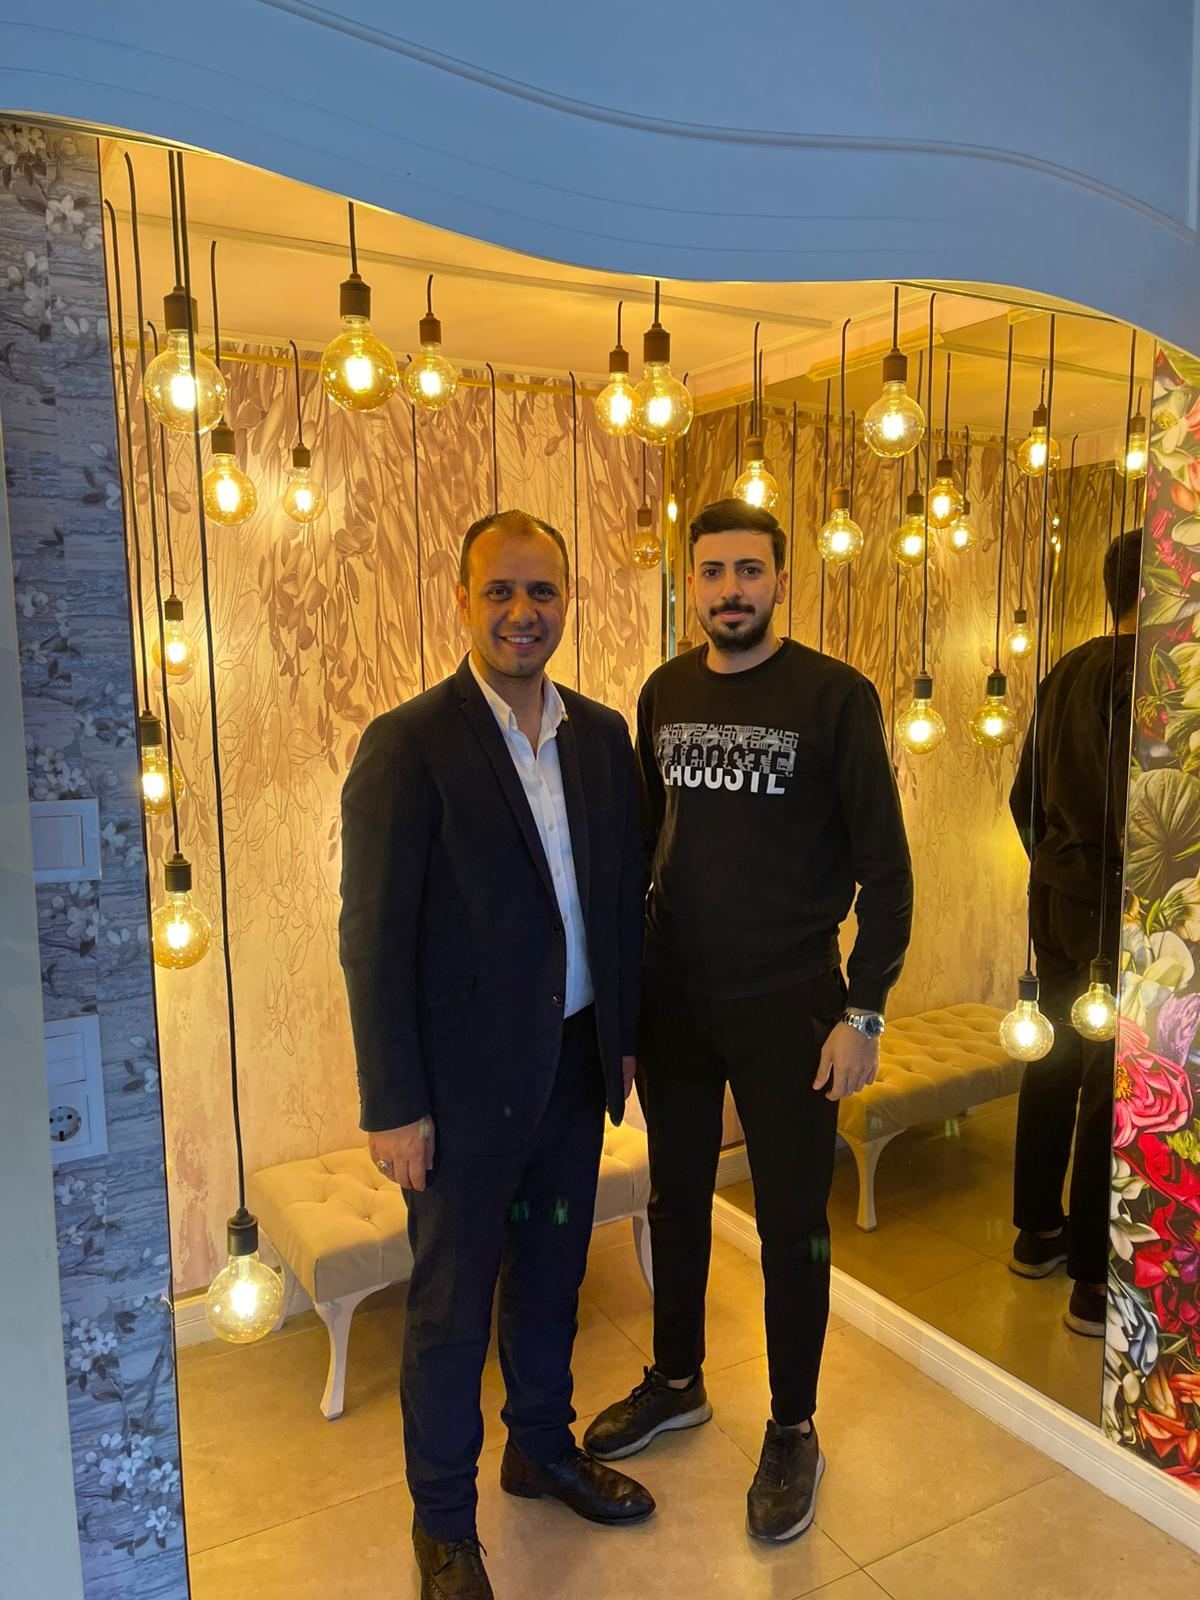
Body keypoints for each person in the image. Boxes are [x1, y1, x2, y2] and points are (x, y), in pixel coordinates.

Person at [585, 499, 913, 1542]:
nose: (730, 590)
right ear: (691, 583)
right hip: (675, 994)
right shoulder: (664, 693)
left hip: (792, 1003)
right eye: (713, 572)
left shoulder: (835, 698)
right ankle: (678, 1379)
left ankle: (792, 1425)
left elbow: (889, 874)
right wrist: (625, 1009)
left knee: (791, 1225)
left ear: (779, 578)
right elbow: (643, 852)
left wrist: (863, 1013)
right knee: (675, 1200)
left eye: (749, 570)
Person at [339, 510, 653, 1600]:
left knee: (554, 1278)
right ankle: (442, 1528)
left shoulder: (601, 736)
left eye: (543, 591)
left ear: (568, 601)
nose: (524, 612)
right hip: (461, 1096)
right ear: (463, 601)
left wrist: (621, 1041)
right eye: (501, 591)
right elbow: (372, 935)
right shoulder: (408, 743)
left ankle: (541, 1449)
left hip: (572, 1070)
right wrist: (393, 1103)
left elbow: (617, 902)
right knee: (450, 1314)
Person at [1007, 527, 1141, 1338]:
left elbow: (1021, 796)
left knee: (1054, 1056)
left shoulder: (1065, 668)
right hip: (1114, 906)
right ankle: (1093, 1279)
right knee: (1108, 1078)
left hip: (1054, 897)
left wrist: (1053, 866)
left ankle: (1037, 1231)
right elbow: (1138, 814)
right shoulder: (1150, 678)